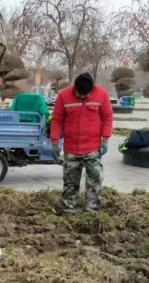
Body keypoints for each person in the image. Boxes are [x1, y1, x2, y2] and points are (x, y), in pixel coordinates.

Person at [50, 72, 114, 215]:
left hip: (92, 147)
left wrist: (105, 139)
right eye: (79, 94)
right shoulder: (64, 96)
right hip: (71, 147)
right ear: (74, 88)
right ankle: (69, 209)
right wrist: (55, 141)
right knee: (70, 181)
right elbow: (57, 119)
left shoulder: (102, 95)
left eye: (85, 95)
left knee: (94, 181)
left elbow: (107, 117)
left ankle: (92, 210)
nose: (82, 97)